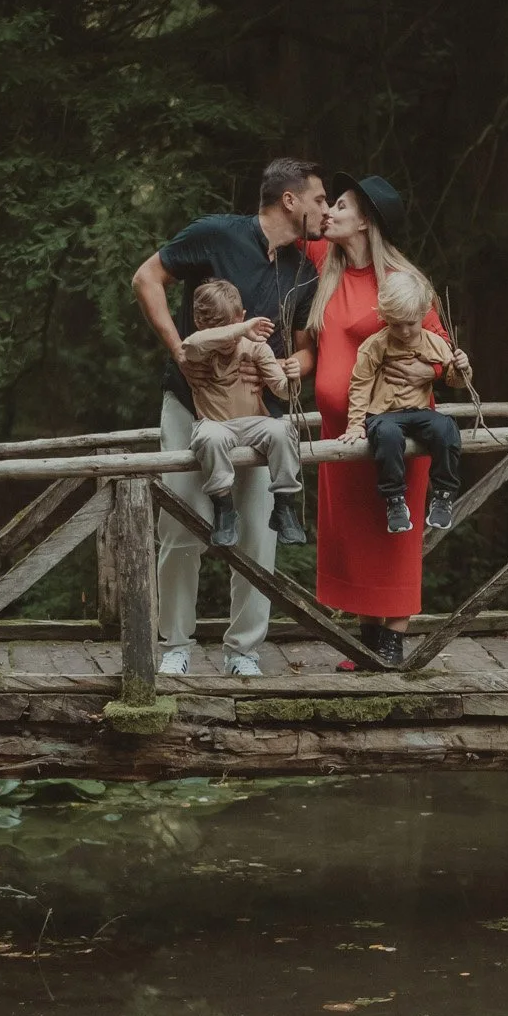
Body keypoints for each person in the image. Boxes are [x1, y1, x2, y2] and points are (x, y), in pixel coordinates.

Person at [132, 157, 328, 679]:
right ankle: (176, 644)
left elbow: (307, 349)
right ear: (290, 201)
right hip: (191, 408)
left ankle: (243, 649)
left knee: (261, 535)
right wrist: (179, 350)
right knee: (180, 527)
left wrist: (296, 366)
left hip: (261, 411)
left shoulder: (304, 270)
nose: (325, 211)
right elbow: (146, 278)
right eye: (319, 199)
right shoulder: (217, 234)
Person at [305, 175, 470, 670]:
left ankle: (393, 644)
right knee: (352, 534)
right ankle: (366, 642)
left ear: (367, 220)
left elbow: (442, 347)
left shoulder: (399, 279)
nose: (329, 212)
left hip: (397, 430)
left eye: (340, 205)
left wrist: (433, 369)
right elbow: (286, 221)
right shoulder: (324, 263)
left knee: (393, 531)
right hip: (343, 432)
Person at [180, 279, 307, 550]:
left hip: (253, 423)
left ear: (243, 317)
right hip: (216, 425)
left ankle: (284, 506)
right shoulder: (200, 350)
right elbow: (190, 346)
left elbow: (281, 392)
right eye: (220, 330)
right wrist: (236, 329)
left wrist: (292, 380)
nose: (229, 338)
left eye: (234, 327)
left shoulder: (256, 347)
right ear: (202, 325)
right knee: (208, 438)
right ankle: (224, 509)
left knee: (282, 430)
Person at [340, 269, 467, 535]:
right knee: (386, 435)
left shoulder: (435, 343)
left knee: (445, 428)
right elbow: (360, 385)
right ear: (384, 318)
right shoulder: (376, 346)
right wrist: (355, 425)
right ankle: (395, 500)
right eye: (396, 324)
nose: (405, 331)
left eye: (410, 322)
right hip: (383, 414)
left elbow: (455, 381)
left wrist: (462, 368)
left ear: (423, 314)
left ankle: (443, 495)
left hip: (420, 412)